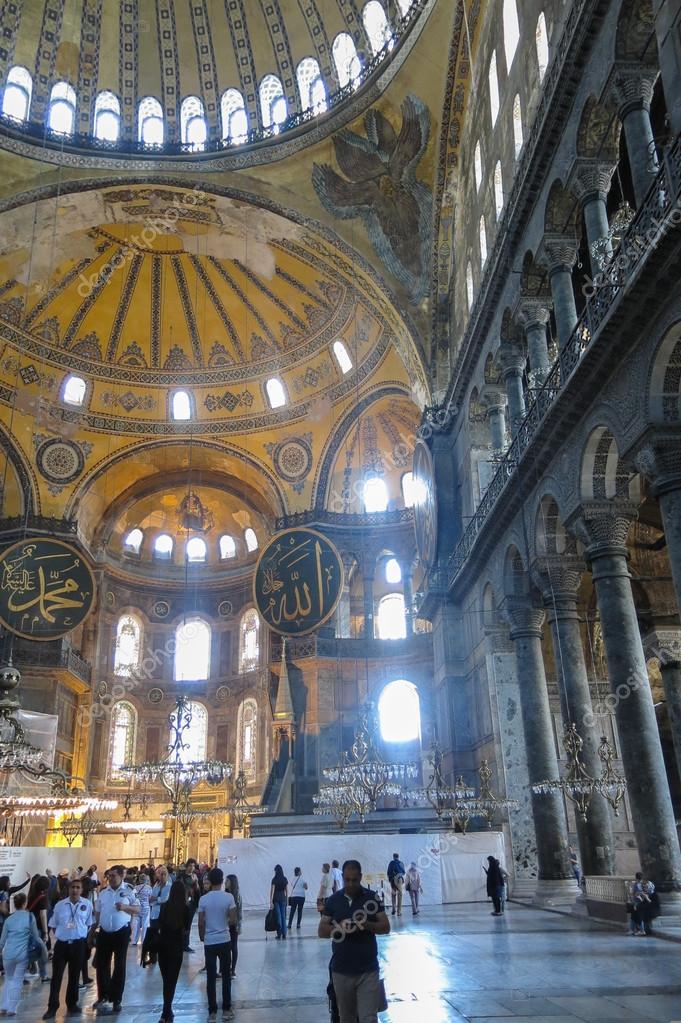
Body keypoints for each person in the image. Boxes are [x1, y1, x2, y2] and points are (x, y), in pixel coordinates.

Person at [319, 859, 390, 1023]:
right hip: (341, 971)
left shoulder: (372, 898)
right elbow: (322, 931)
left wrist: (365, 924)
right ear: (342, 877)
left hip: (368, 971)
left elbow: (385, 926)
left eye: (354, 880)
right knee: (347, 1018)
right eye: (347, 880)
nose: (350, 884)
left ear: (361, 877)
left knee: (369, 1018)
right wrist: (340, 928)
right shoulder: (333, 900)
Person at [91, 863, 139, 1015]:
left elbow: (138, 909)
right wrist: (93, 930)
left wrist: (125, 908)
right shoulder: (104, 892)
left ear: (121, 876)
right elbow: (97, 913)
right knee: (102, 965)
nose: (110, 878)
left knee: (119, 966)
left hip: (121, 933)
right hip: (104, 933)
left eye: (113, 876)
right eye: (109, 876)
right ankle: (103, 995)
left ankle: (116, 998)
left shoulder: (129, 890)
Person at [42, 877, 93, 1020]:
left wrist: (79, 935)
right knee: (56, 977)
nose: (75, 890)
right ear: (69, 889)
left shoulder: (87, 905)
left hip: (78, 944)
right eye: (73, 887)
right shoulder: (59, 905)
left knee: (74, 976)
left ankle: (72, 1004)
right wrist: (62, 934)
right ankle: (52, 1007)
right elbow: (53, 924)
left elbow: (89, 923)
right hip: (62, 945)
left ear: (82, 890)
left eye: (78, 887)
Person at [198, 867, 236, 1023]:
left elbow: (200, 923)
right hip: (224, 939)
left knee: (211, 977)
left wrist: (203, 937)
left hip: (210, 942)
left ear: (210, 881)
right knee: (226, 975)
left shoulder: (203, 899)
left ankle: (212, 1012)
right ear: (221, 881)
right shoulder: (229, 897)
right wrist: (224, 922)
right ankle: (226, 1009)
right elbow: (233, 920)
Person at [0, 892, 40, 1016]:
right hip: (22, 954)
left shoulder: (9, 919)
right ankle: (12, 1008)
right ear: (25, 903)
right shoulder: (30, 917)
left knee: (8, 979)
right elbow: (35, 936)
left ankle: (3, 1006)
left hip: (8, 954)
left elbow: (2, 940)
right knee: (17, 981)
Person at [157, 879, 191, 1023]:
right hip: (176, 948)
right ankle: (167, 1011)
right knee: (172, 981)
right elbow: (187, 928)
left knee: (166, 980)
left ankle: (166, 1011)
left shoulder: (164, 907)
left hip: (163, 947)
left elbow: (159, 924)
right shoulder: (186, 909)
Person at [143, 865, 171, 967]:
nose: (162, 876)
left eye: (164, 874)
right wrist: (155, 899)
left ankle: (164, 956)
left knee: (163, 935)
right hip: (154, 913)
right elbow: (151, 898)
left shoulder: (169, 886)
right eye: (160, 874)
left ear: (167, 875)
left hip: (163, 914)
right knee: (153, 935)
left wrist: (156, 899)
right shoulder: (156, 885)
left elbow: (165, 899)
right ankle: (153, 957)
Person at [27, 875, 50, 981]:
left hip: (30, 927)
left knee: (32, 949)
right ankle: (43, 975)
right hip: (39, 929)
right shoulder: (43, 897)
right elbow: (43, 915)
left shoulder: (32, 895)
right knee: (42, 952)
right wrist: (46, 932)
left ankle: (33, 969)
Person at [629, 872, 656, 936]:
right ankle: (636, 929)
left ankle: (640, 930)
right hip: (641, 903)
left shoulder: (637, 884)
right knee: (635, 917)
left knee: (638, 917)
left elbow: (635, 894)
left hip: (639, 903)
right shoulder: (647, 883)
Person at [225, 875, 241, 977]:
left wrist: (238, 925)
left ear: (232, 882)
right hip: (225, 924)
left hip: (233, 924)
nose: (225, 883)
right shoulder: (225, 894)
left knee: (233, 946)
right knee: (226, 947)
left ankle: (233, 969)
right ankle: (225, 968)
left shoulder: (237, 896)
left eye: (227, 881)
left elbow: (239, 912)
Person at [132, 873, 152, 947]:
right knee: (145, 925)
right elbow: (150, 897)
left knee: (136, 925)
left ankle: (134, 940)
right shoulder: (149, 888)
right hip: (146, 908)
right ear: (146, 880)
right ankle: (144, 941)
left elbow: (134, 897)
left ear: (139, 879)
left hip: (137, 908)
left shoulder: (135, 888)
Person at [269, 864, 288, 939]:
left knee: (278, 916)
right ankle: (284, 933)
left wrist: (270, 901)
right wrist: (287, 900)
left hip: (276, 899)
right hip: (283, 899)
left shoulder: (274, 879)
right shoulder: (284, 879)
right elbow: (287, 890)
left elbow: (272, 891)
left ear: (276, 871)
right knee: (283, 916)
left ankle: (279, 933)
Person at [287, 867, 307, 931]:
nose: (301, 872)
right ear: (298, 872)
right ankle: (298, 924)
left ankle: (289, 924)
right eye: (300, 871)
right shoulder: (303, 879)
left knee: (292, 910)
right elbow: (306, 887)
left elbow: (292, 885)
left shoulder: (293, 879)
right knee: (300, 910)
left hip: (294, 897)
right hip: (301, 897)